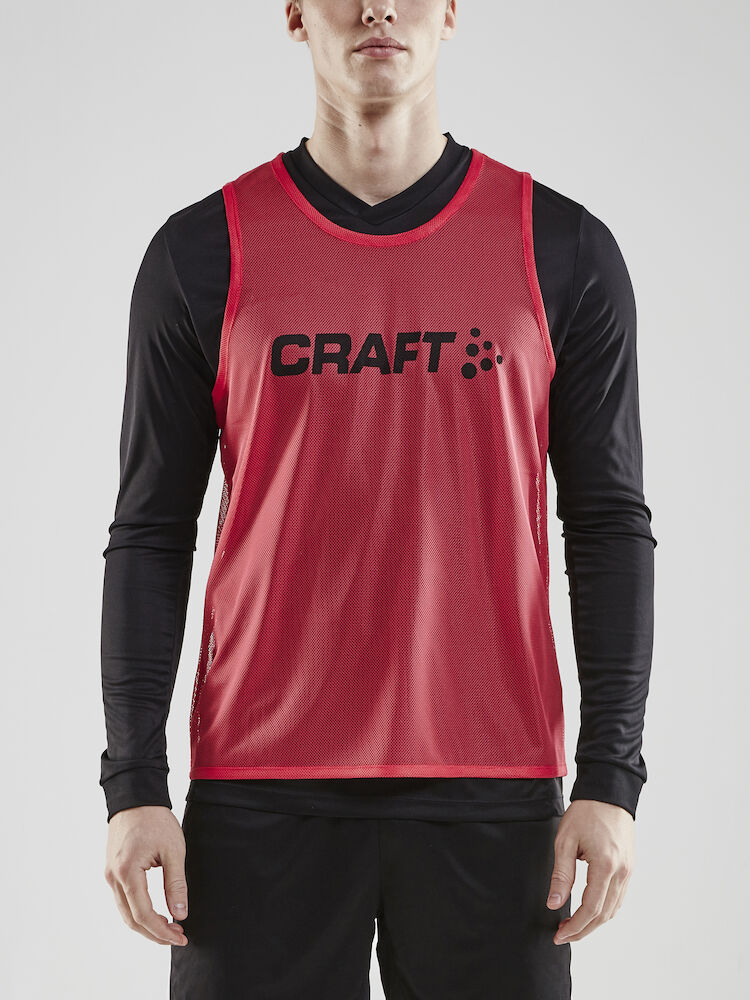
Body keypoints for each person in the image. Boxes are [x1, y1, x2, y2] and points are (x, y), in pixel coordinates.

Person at [100, 2, 657, 997]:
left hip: (495, 795)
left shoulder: (561, 247)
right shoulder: (203, 252)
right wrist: (133, 783)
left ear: (451, 12)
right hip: (258, 798)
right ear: (294, 15)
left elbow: (609, 526)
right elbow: (149, 532)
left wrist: (611, 777)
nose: (377, 8)